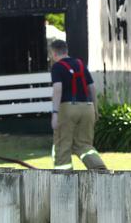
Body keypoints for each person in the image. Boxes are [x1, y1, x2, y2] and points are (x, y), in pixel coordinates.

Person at [50, 39, 106, 170]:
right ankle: (100, 171)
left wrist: (55, 113)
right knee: (84, 145)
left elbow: (57, 89)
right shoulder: (80, 64)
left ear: (54, 53)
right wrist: (95, 110)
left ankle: (63, 179)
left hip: (68, 108)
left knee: (62, 145)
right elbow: (92, 87)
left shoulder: (57, 67)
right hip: (87, 108)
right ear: (66, 50)